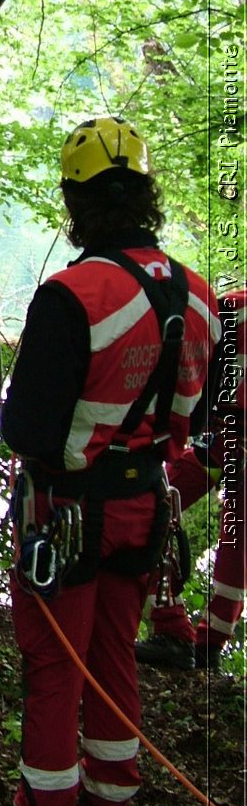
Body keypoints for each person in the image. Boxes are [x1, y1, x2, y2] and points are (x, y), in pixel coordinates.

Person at [0, 116, 220, 806]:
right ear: (145, 194)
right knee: (112, 655)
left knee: (53, 665)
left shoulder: (73, 294)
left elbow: (29, 430)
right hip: (144, 507)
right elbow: (193, 418)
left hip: (67, 515)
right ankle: (110, 800)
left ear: (77, 202)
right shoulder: (198, 296)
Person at [135, 287, 245, 672]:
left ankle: (193, 641)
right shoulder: (231, 308)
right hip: (222, 444)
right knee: (151, 502)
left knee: (150, 505)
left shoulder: (230, 307)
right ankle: (183, 636)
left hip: (226, 444)